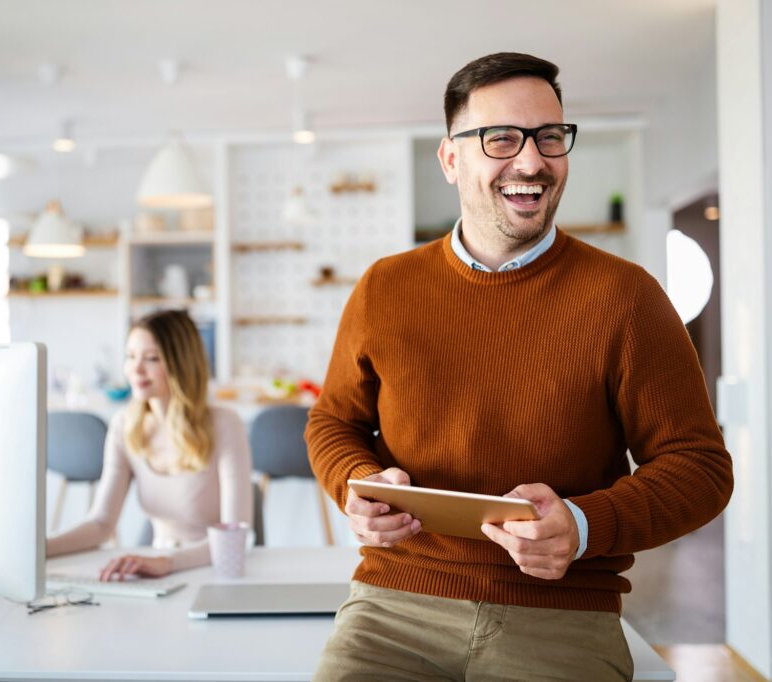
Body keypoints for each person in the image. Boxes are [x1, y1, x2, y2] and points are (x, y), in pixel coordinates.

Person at [306, 52, 733, 681]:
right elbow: (332, 422)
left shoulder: (627, 296)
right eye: (501, 138)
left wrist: (584, 525)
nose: (532, 162)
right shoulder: (384, 286)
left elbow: (700, 468)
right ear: (452, 158)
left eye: (550, 138)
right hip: (394, 608)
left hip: (561, 615)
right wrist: (358, 483)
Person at [47, 309, 252, 579]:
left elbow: (233, 537)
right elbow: (101, 524)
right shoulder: (124, 425)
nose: (136, 369)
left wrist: (167, 562)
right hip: (159, 572)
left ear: (181, 363)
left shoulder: (225, 424)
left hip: (212, 571)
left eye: (152, 358)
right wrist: (42, 548)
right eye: (130, 356)